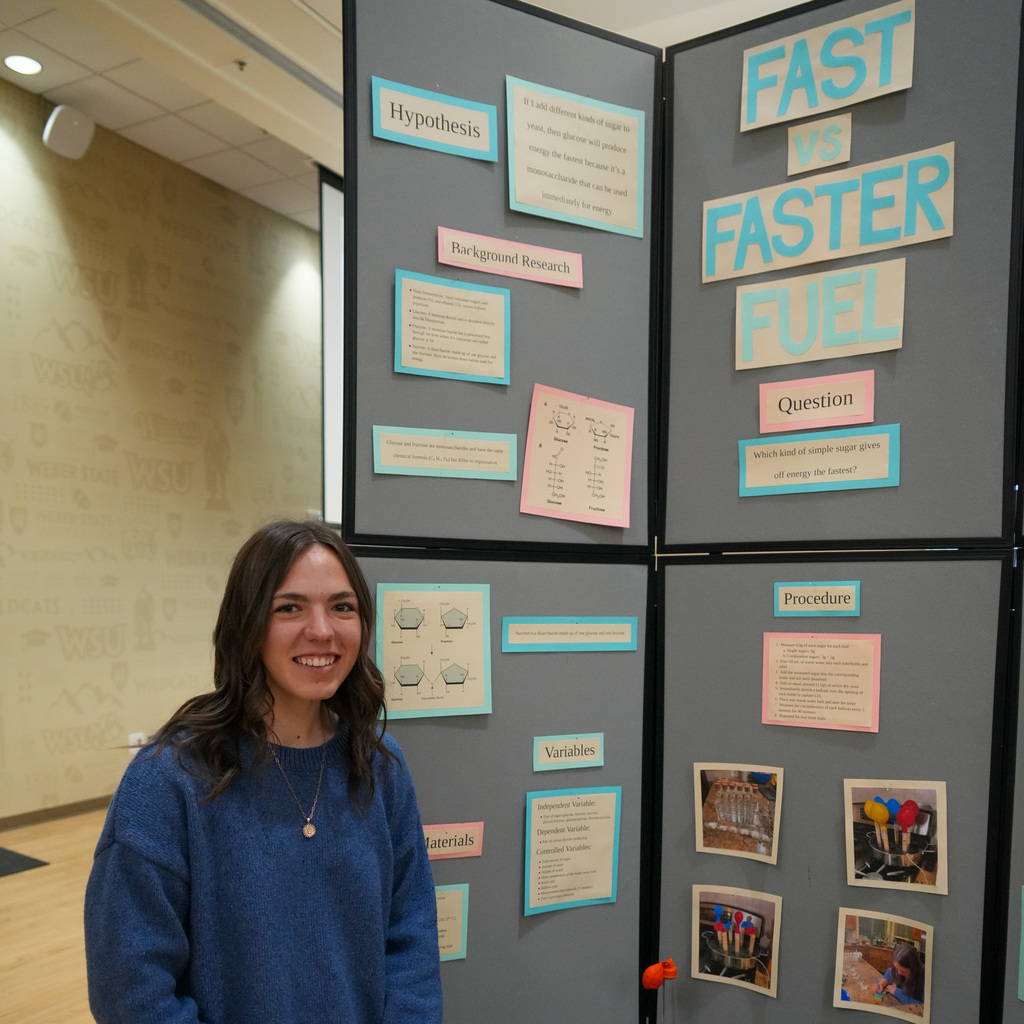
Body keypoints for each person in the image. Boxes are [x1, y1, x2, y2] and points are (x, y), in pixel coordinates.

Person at [85, 519, 443, 1024]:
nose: (321, 630)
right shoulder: (167, 782)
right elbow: (132, 994)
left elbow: (412, 945)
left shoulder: (380, 764)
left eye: (342, 607)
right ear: (246, 624)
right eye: (289, 607)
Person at [873, 942, 925, 1006]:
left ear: (914, 969)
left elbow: (922, 1006)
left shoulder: (924, 981)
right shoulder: (898, 970)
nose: (898, 973)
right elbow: (890, 971)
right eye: (896, 968)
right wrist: (882, 983)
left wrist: (897, 992)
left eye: (903, 971)